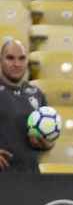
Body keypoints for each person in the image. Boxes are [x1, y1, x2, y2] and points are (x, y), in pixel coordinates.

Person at [0, 39, 54, 173]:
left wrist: (45, 143)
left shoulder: (37, 94)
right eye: (10, 58)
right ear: (1, 60)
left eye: (22, 58)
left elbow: (49, 142)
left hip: (30, 174)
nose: (16, 64)